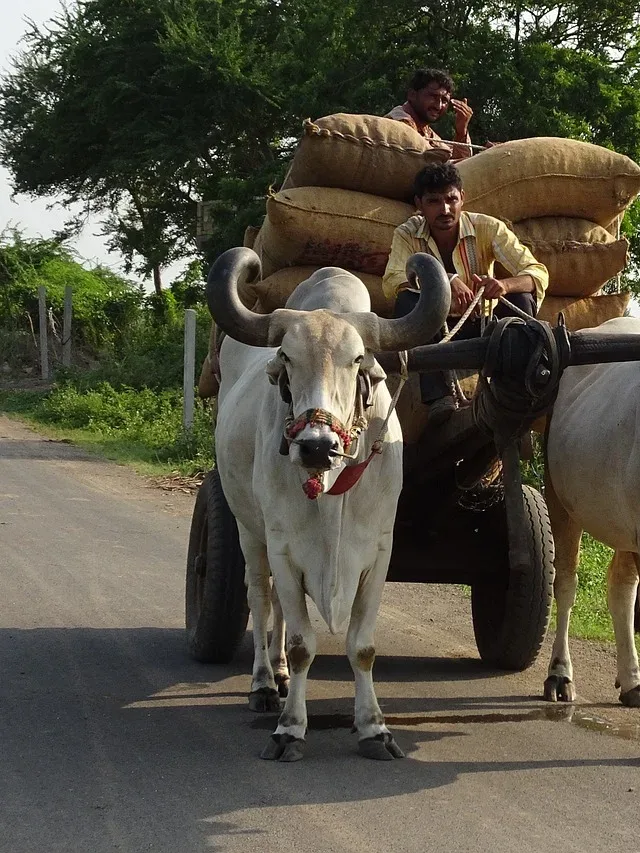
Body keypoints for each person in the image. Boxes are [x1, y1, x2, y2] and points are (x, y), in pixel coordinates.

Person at [383, 162, 549, 426]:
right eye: (434, 201)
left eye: (451, 199)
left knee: (521, 298)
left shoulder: (487, 227)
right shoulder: (406, 234)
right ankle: (439, 397)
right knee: (406, 300)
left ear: (463, 198)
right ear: (419, 205)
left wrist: (504, 285)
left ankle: (518, 385)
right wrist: (444, 282)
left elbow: (536, 272)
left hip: (485, 326)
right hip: (435, 329)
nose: (445, 209)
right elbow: (393, 280)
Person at [385, 68, 475, 160]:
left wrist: (461, 131)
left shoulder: (427, 132)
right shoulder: (398, 124)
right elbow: (428, 165)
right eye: (433, 96)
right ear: (412, 95)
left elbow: (459, 166)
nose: (438, 106)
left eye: (444, 100)